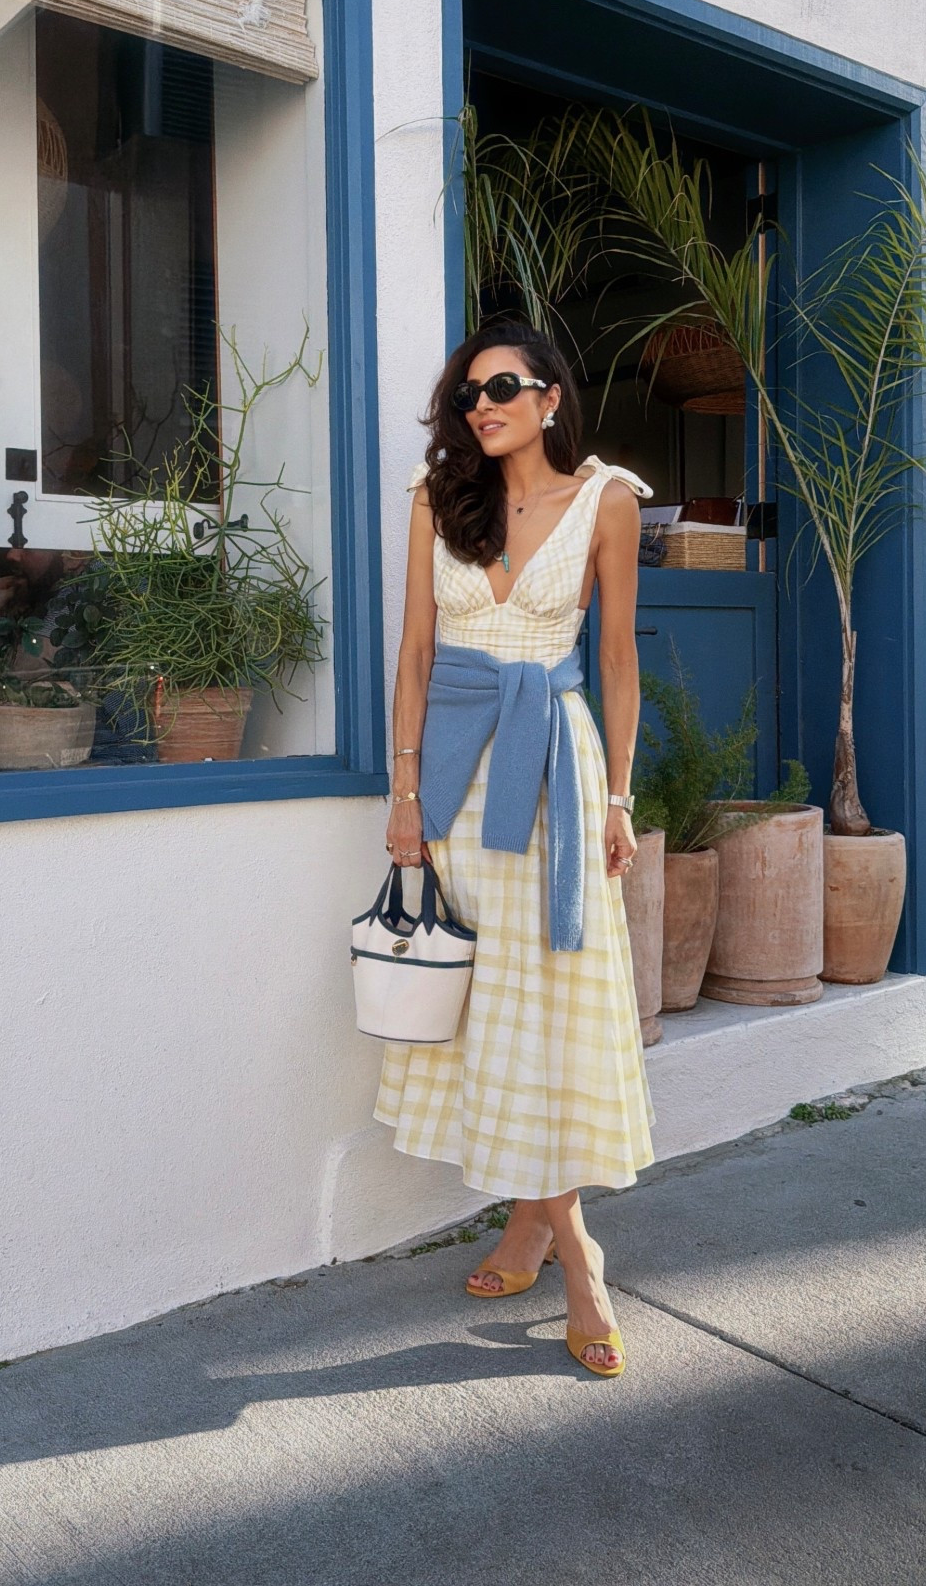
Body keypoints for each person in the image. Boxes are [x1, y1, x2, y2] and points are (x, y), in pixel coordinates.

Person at [377, 320, 655, 1378]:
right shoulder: (436, 498)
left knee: (547, 1001)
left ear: (549, 396)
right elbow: (414, 654)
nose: (480, 407)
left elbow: (618, 662)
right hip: (457, 779)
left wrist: (620, 797)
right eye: (466, 394)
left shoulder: (607, 501)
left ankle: (567, 1250)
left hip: (554, 777)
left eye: (500, 388)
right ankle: (551, 1232)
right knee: (489, 1003)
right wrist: (405, 793)